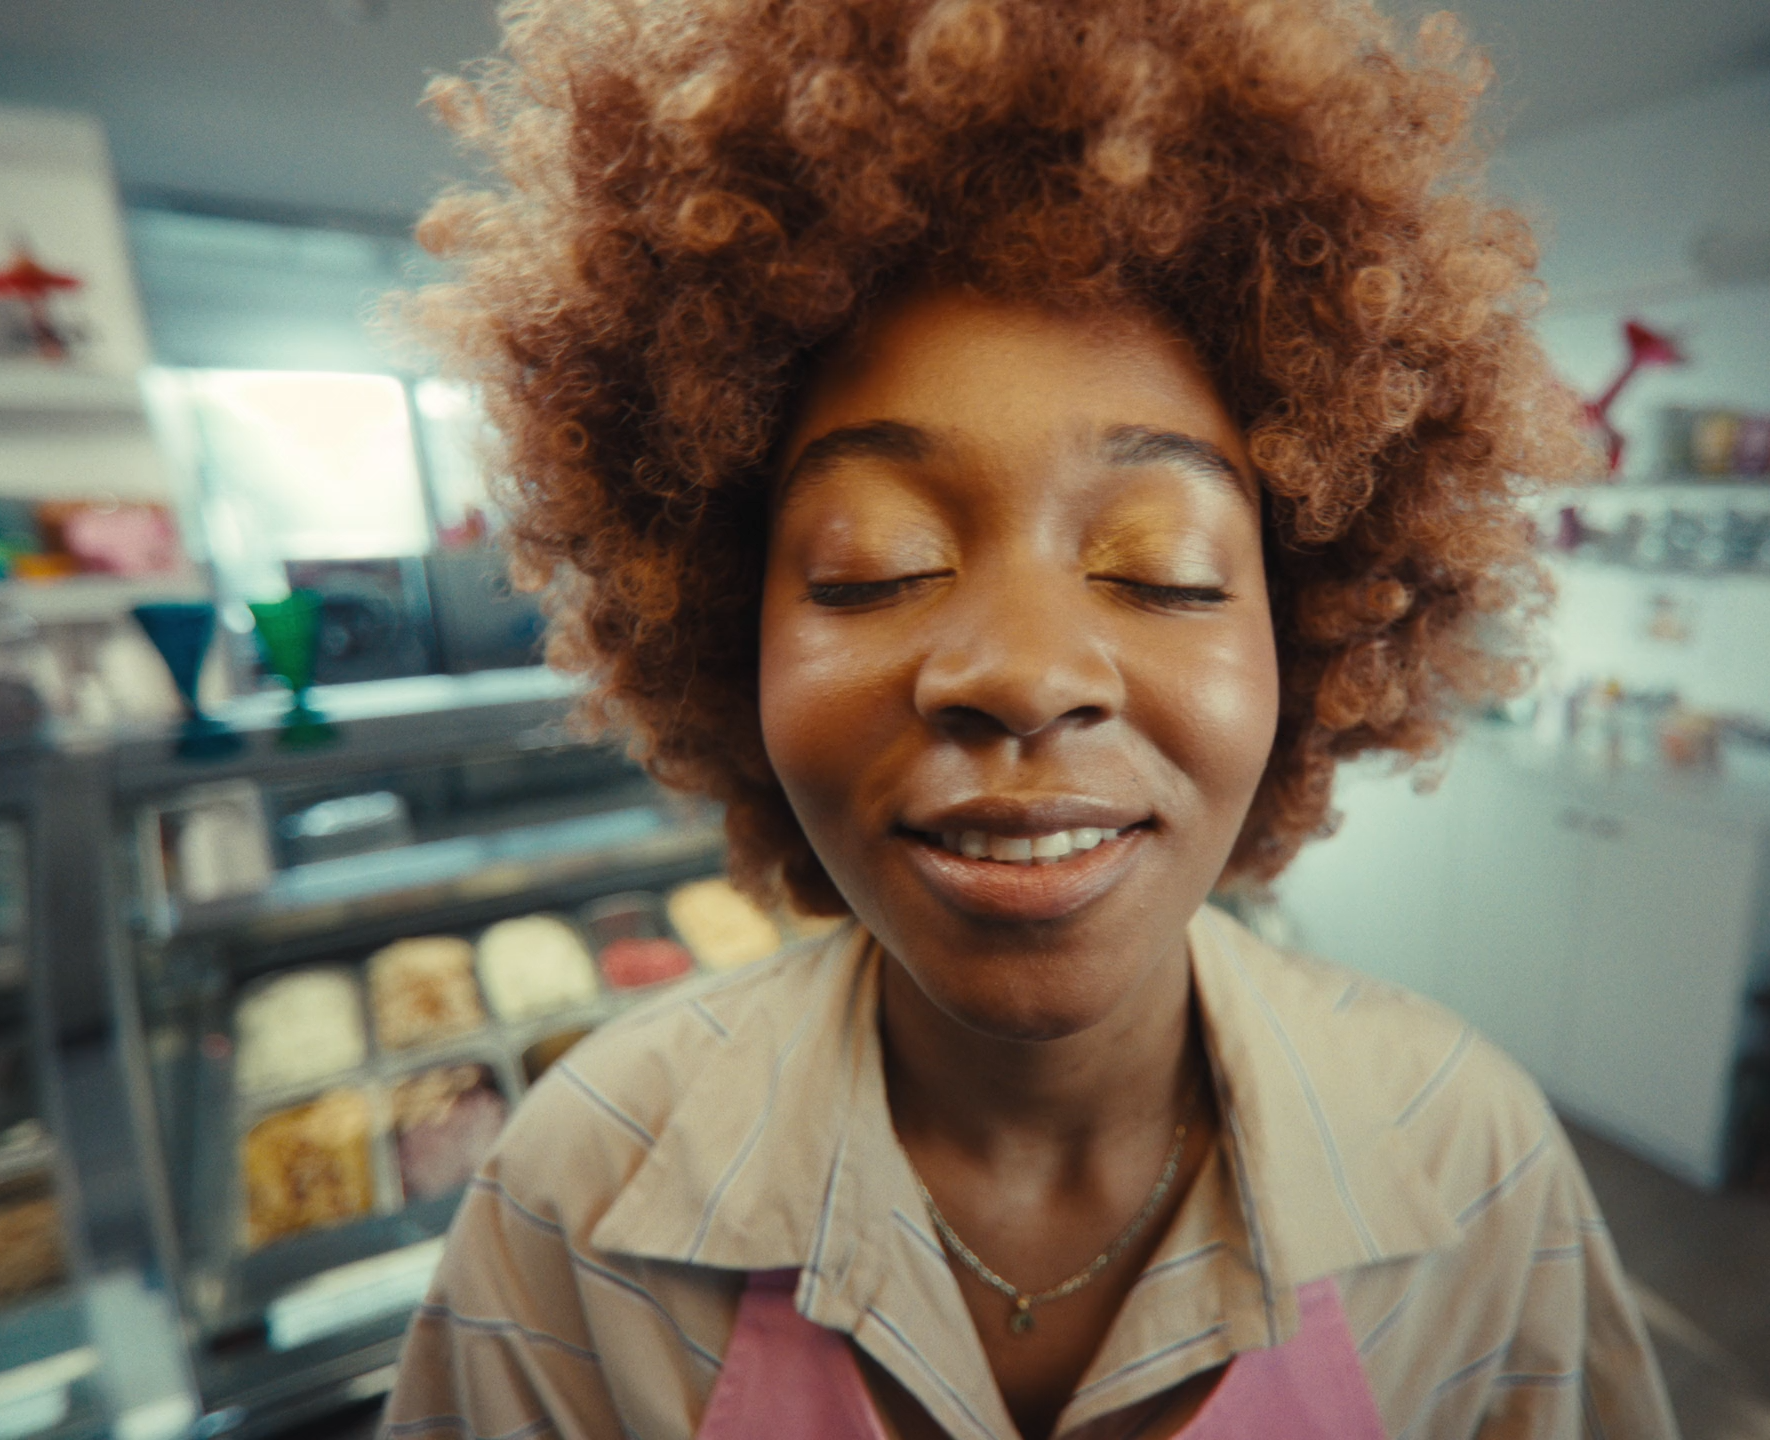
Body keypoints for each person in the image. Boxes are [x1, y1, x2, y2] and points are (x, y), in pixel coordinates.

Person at [383, 0, 1680, 1436]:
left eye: (1163, 568)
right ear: (722, 619)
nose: (1021, 669)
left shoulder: (1473, 1162)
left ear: (1307, 633)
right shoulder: (573, 1198)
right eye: (873, 561)